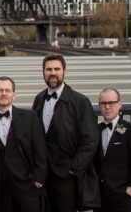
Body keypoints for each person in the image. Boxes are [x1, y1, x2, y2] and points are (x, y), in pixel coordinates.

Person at [33, 54, 99, 212]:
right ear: (43, 72)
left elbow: (91, 140)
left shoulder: (80, 101)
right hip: (44, 175)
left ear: (64, 72)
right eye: (49, 69)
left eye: (57, 69)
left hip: (67, 176)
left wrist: (73, 168)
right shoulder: (39, 99)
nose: (53, 73)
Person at [0, 76, 47, 212]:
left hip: (27, 187)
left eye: (8, 90)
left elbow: (40, 151)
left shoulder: (30, 117)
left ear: (14, 95)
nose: (4, 93)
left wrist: (38, 180)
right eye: (0, 90)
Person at [94, 88, 131, 212]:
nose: (107, 107)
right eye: (103, 103)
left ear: (119, 104)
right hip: (101, 198)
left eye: (111, 103)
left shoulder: (130, 129)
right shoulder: (95, 130)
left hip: (124, 198)